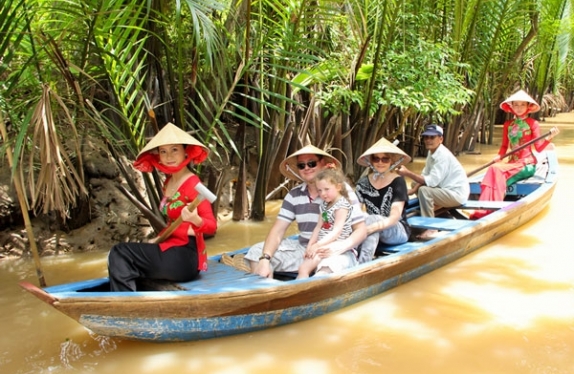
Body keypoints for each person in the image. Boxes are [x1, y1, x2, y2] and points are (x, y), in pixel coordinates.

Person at [107, 123, 217, 291]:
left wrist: (195, 219)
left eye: (174, 150)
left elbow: (211, 226)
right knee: (122, 255)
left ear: (185, 151)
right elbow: (171, 224)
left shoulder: (193, 183)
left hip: (185, 257)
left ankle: (125, 303)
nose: (168, 156)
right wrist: (156, 240)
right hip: (170, 247)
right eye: (163, 151)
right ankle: (127, 299)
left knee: (120, 252)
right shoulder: (168, 183)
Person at [243, 144, 367, 278]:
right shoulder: (294, 195)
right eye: (302, 165)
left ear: (323, 164)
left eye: (312, 163)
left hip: (338, 250)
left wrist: (341, 247)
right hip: (304, 249)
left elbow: (361, 230)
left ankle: (308, 290)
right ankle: (269, 289)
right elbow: (278, 230)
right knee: (256, 253)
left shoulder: (340, 191)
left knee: (326, 269)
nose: (307, 168)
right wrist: (265, 259)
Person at [469, 90, 560, 219]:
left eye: (522, 105)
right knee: (493, 169)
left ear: (528, 107)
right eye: (515, 105)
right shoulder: (508, 125)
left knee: (496, 170)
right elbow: (505, 146)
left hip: (526, 164)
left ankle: (492, 209)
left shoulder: (533, 124)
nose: (518, 108)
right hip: (512, 163)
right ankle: (485, 207)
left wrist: (549, 138)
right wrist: (499, 156)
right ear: (511, 107)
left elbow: (539, 149)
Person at [395, 124, 469, 239]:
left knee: (424, 191)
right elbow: (425, 175)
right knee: (416, 184)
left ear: (440, 139)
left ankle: (431, 228)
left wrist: (407, 173)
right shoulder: (432, 152)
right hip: (444, 189)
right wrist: (413, 189)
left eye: (432, 137)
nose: (428, 140)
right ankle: (433, 208)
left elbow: (431, 182)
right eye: (426, 137)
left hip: (457, 194)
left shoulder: (442, 156)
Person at [355, 137, 411, 262]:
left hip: (397, 229)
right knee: (358, 219)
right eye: (376, 158)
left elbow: (394, 217)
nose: (380, 162)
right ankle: (349, 258)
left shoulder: (398, 182)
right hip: (371, 227)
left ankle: (362, 263)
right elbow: (355, 211)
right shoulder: (363, 182)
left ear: (391, 161)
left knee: (372, 219)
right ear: (371, 161)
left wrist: (371, 228)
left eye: (385, 158)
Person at [297, 168, 354, 279]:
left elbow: (337, 231)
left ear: (338, 187)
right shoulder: (324, 205)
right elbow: (319, 227)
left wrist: (317, 246)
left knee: (306, 268)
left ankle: (304, 289)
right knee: (303, 268)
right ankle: (299, 288)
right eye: (319, 190)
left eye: (326, 189)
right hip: (322, 243)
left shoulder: (342, 205)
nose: (323, 194)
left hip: (337, 243)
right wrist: (310, 246)